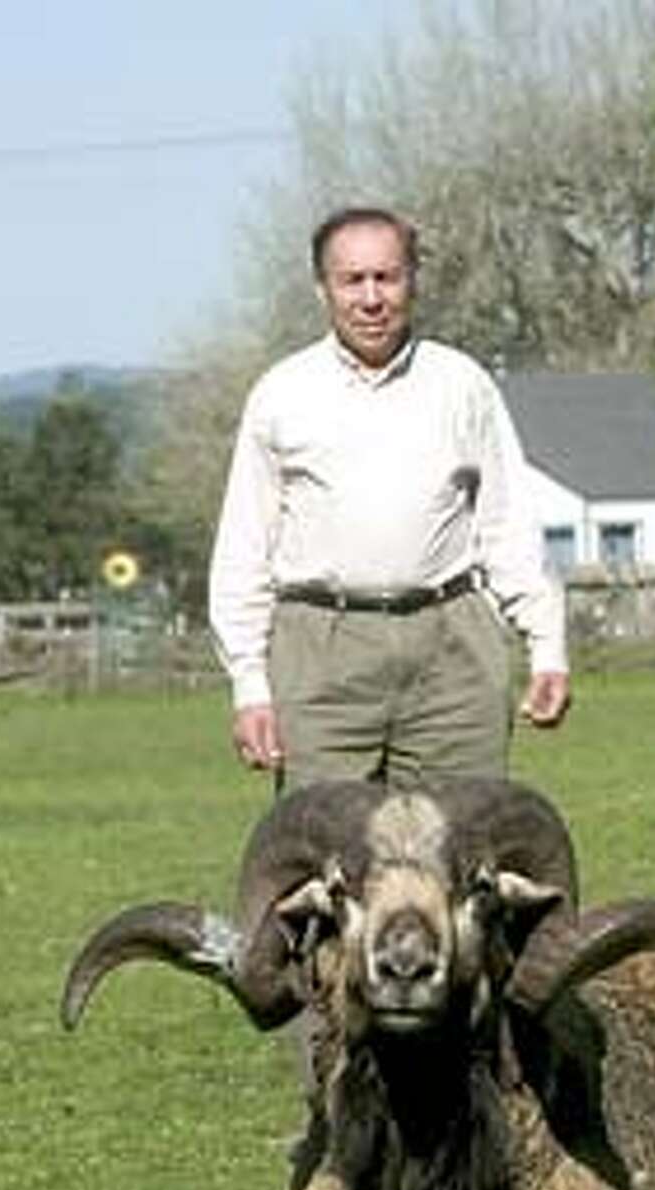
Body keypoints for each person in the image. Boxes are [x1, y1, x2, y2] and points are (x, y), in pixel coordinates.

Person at [208, 204, 570, 789]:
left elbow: (508, 528)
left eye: (387, 277)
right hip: (321, 651)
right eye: (352, 280)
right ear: (323, 289)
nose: (371, 298)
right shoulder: (282, 395)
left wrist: (548, 648)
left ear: (412, 281)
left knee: (462, 831)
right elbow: (243, 549)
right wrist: (249, 686)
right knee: (326, 837)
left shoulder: (462, 386)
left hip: (450, 649)